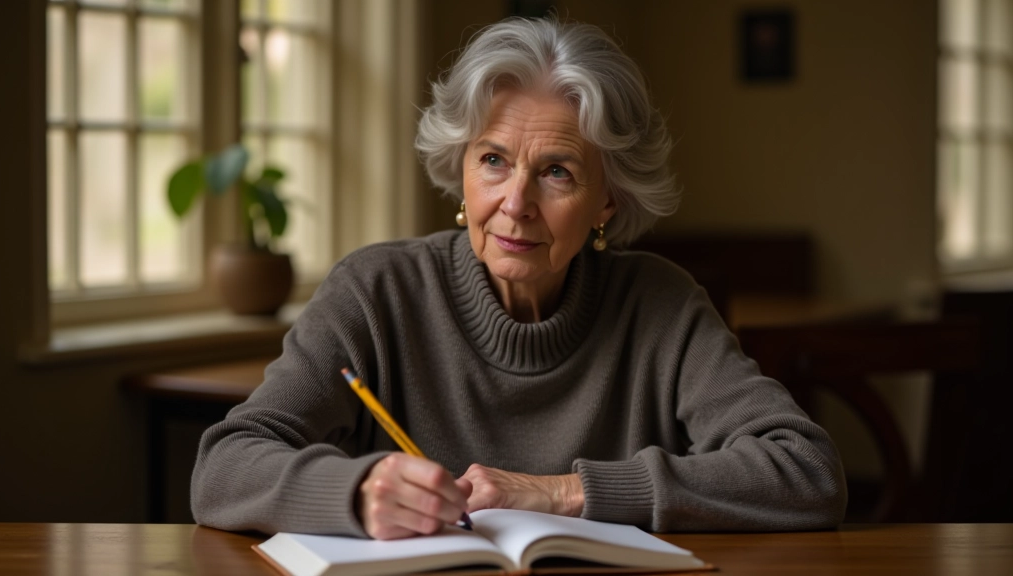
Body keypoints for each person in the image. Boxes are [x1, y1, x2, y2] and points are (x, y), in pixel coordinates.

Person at [191, 17, 846, 540]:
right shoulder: (374, 291)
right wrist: (356, 493)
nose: (516, 202)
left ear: (608, 200)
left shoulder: (660, 305)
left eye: (557, 171)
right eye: (493, 160)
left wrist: (564, 492)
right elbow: (223, 467)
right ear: (462, 168)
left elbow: (807, 471)